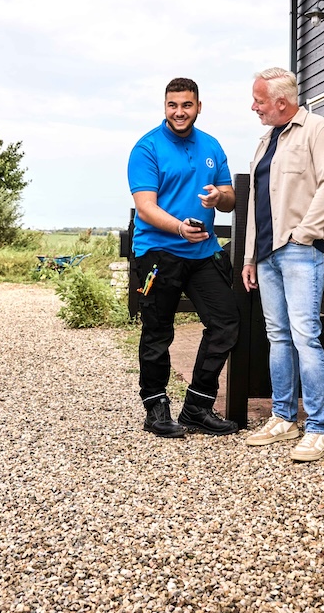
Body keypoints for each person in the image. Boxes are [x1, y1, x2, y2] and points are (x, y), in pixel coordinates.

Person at [127, 77, 241, 438]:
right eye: (173, 105)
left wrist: (216, 200)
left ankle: (197, 406)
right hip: (159, 253)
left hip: (204, 250)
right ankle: (156, 408)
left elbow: (230, 196)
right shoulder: (147, 148)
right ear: (165, 107)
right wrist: (178, 228)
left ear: (198, 106)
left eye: (187, 105)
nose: (180, 112)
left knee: (225, 324)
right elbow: (145, 208)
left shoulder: (211, 145)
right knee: (158, 331)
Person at [241, 67, 324, 462]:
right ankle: (283, 418)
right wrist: (251, 255)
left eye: (260, 101)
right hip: (266, 256)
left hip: (301, 250)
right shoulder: (265, 139)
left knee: (305, 336)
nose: (254, 107)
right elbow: (256, 202)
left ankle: (318, 428)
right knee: (278, 337)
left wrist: (305, 233)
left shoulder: (318, 129)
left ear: (281, 102)